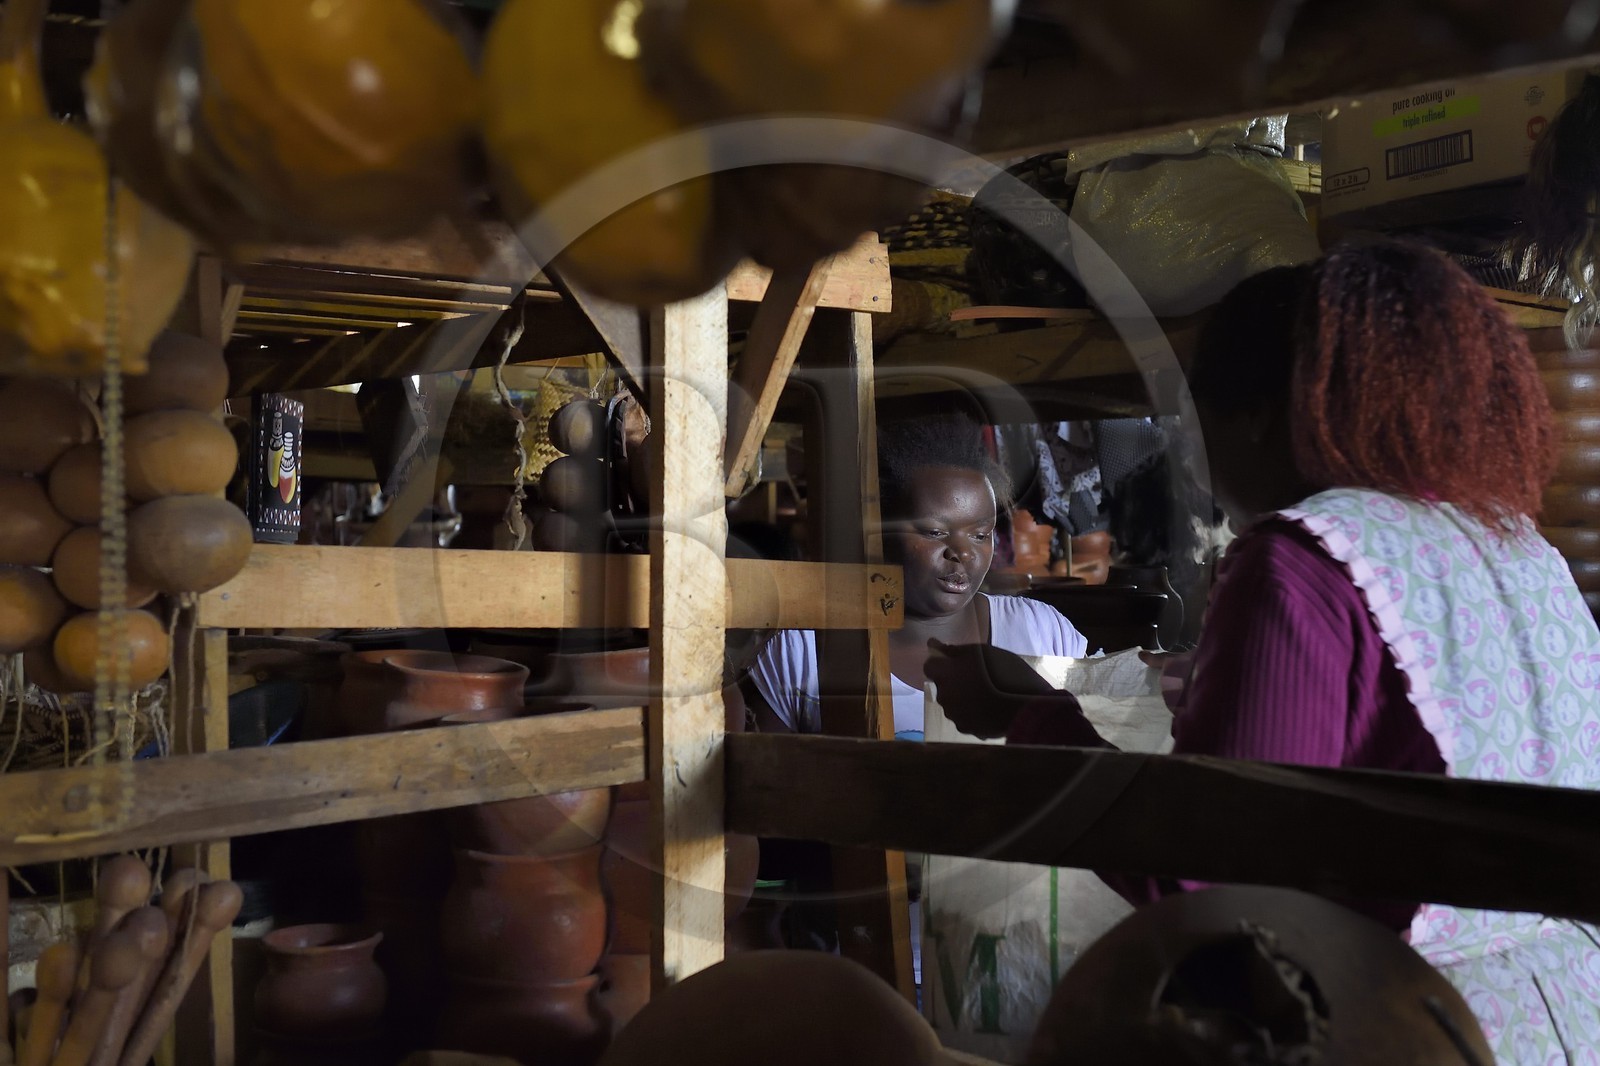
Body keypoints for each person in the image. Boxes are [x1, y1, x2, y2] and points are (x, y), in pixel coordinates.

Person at [927, 239, 1600, 1063]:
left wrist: (1029, 718)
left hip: (1389, 1027)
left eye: (1195, 424)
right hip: (1566, 1012)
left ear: (1253, 416)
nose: (1193, 461)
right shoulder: (1518, 551)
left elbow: (1210, 880)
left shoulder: (1302, 557)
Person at [744, 414, 1087, 742]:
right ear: (876, 533)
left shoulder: (1045, 635)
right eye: (935, 532)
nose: (962, 552)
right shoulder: (801, 652)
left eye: (981, 534)